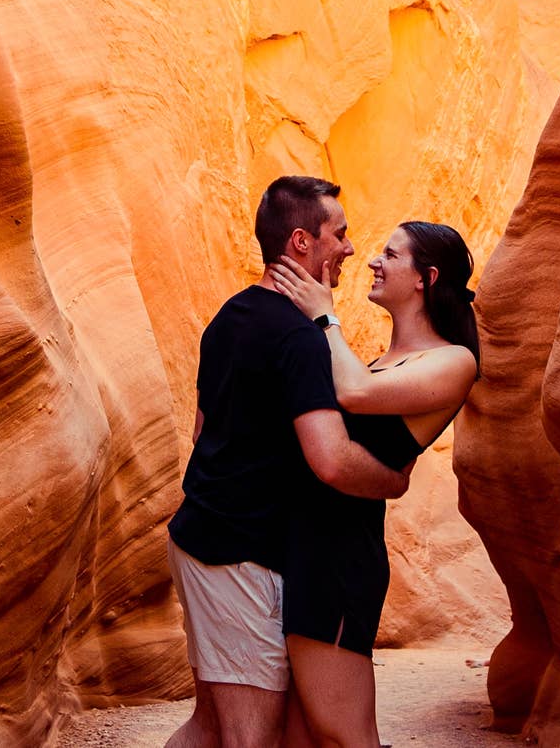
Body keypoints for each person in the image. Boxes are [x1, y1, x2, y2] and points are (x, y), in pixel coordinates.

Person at [166, 177, 415, 748]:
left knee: (213, 726)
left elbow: (204, 434)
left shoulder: (228, 317)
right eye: (341, 235)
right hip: (236, 555)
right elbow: (329, 460)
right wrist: (391, 481)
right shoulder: (300, 338)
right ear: (301, 243)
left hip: (206, 541)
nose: (351, 249)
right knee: (250, 735)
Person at [268, 221, 480, 748]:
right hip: (311, 547)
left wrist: (322, 315)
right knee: (302, 736)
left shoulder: (454, 361)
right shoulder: (381, 361)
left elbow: (355, 395)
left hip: (340, 556)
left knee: (345, 736)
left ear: (425, 278)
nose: (373, 261)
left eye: (391, 254)